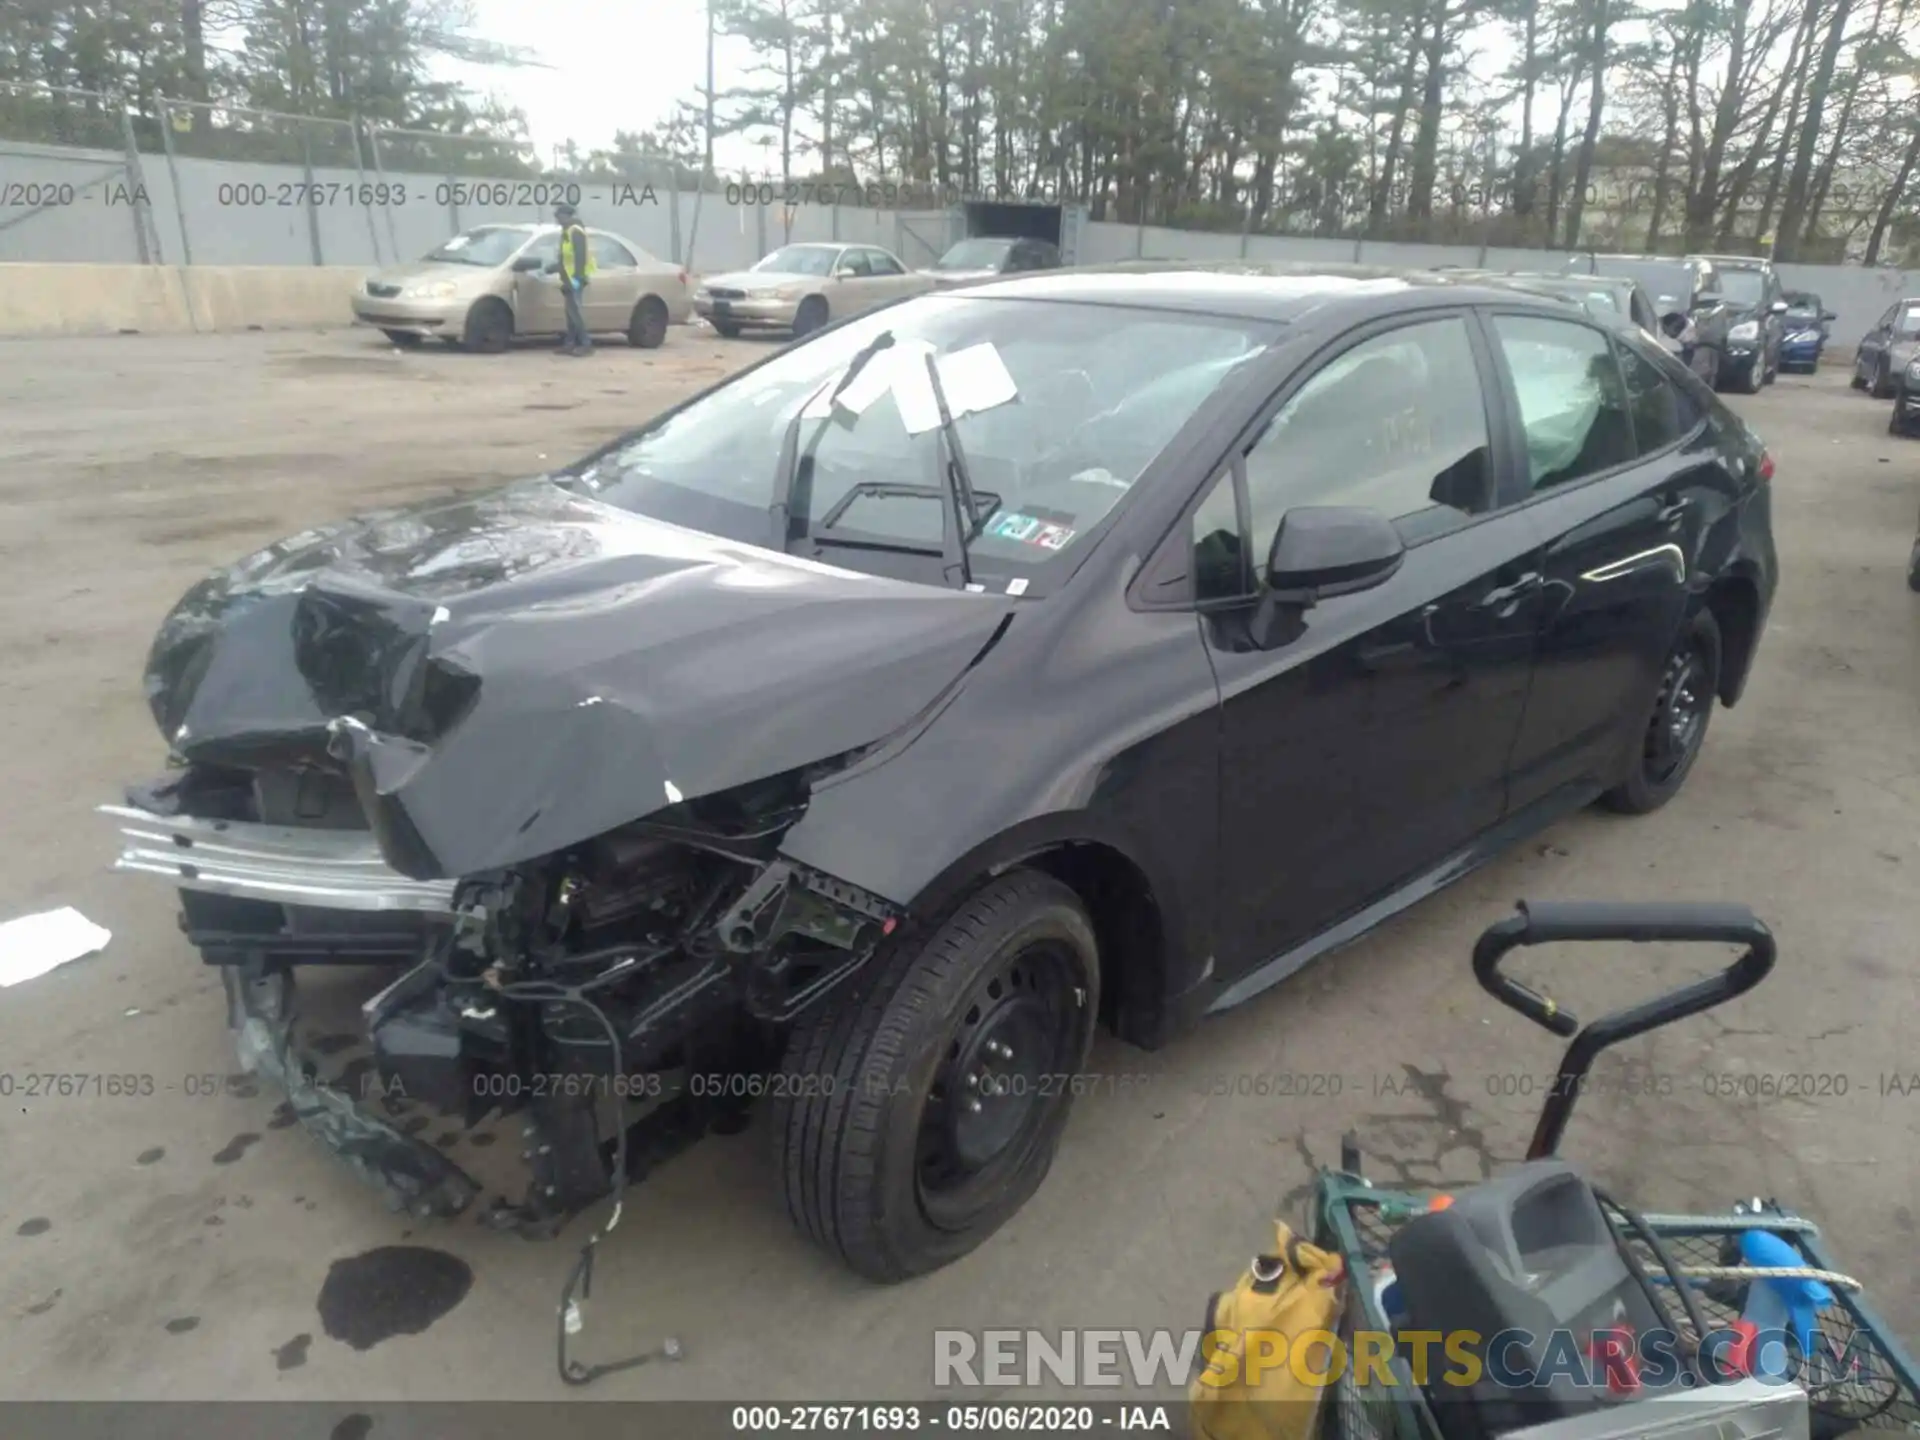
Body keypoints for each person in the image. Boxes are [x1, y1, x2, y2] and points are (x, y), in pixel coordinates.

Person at [554, 202, 595, 355]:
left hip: (575, 279)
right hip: (568, 278)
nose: (557, 220)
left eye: (558, 216)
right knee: (569, 313)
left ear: (565, 216)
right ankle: (570, 343)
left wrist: (577, 279)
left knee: (574, 312)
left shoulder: (575, 231)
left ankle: (586, 343)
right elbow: (565, 257)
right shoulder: (566, 231)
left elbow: (580, 257)